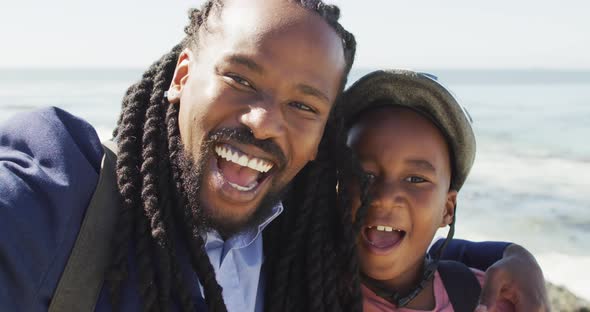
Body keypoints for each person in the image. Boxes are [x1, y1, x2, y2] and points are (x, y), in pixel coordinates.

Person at [0, 1, 547, 311]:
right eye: (240, 78)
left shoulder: (297, 244)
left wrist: (515, 256)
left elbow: (405, 246)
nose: (264, 121)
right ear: (183, 77)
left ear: (319, 147)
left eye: (304, 105)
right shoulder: (64, 192)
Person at [341, 69, 547, 311]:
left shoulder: (486, 299)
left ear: (447, 210)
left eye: (416, 179)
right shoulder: (298, 288)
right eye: (365, 175)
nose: (384, 198)